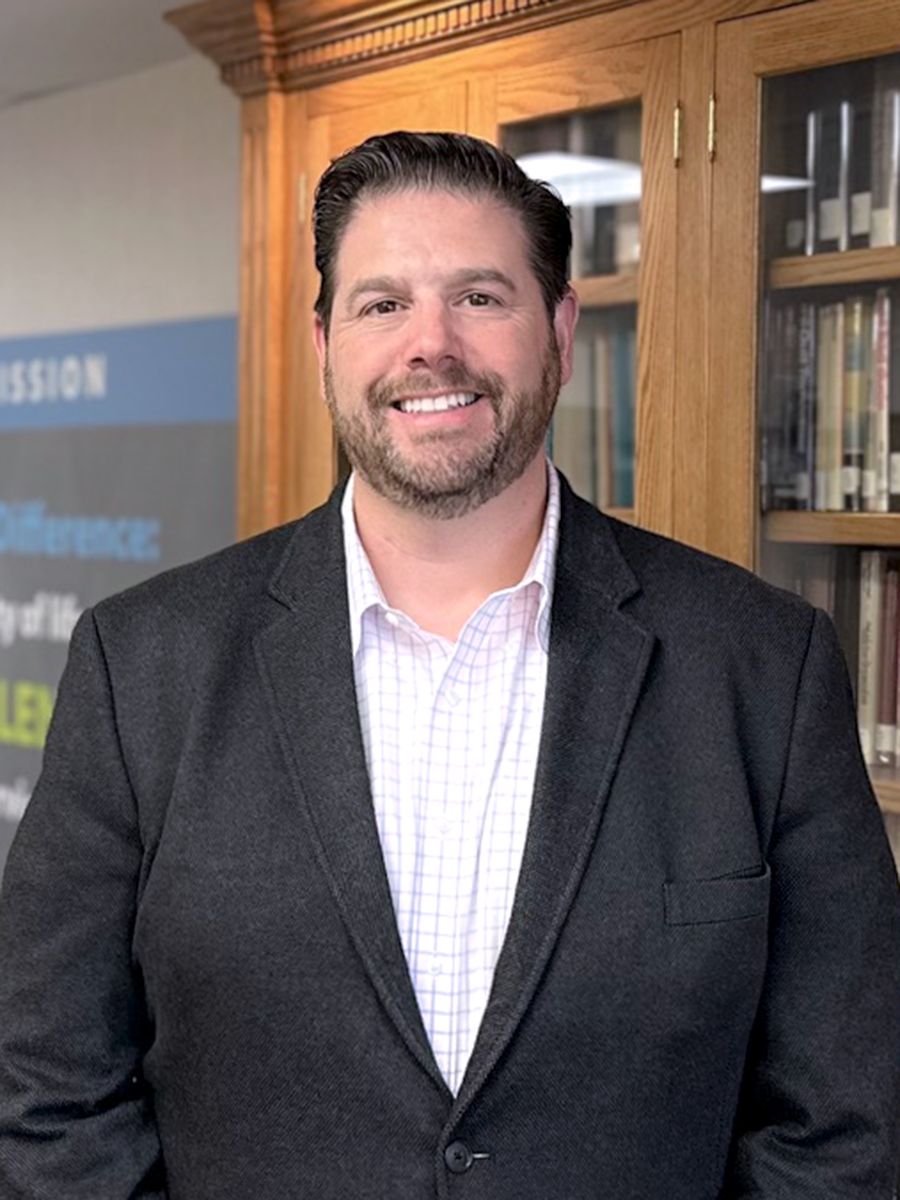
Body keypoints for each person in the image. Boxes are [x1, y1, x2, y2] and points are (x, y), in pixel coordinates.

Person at [0, 131, 897, 1200]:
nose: (431, 344)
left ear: (560, 330)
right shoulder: (144, 663)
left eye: (480, 296)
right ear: (325, 343)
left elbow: (842, 1121)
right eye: (383, 304)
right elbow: (46, 1086)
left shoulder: (761, 664)